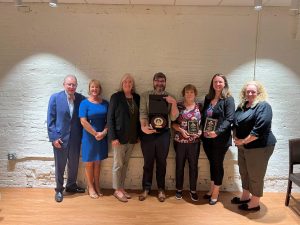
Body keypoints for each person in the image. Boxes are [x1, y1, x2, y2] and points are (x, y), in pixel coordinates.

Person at [232, 80, 276, 211]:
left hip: (259, 147)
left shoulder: (263, 106)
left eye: (253, 92)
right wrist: (235, 136)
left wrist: (243, 141)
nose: (250, 94)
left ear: (259, 93)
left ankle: (255, 202)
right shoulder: (242, 106)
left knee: (255, 175)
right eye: (248, 91)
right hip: (243, 146)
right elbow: (235, 123)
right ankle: (245, 196)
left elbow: (260, 129)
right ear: (244, 93)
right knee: (244, 172)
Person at [139, 72, 179, 202]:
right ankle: (146, 188)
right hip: (148, 133)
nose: (159, 83)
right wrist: (143, 127)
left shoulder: (170, 96)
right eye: (157, 80)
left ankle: (161, 189)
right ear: (153, 81)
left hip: (164, 134)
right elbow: (143, 113)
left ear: (165, 83)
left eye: (162, 81)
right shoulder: (145, 96)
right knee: (148, 162)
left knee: (162, 162)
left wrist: (173, 103)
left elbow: (173, 117)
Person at [47, 75, 85, 203]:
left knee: (74, 164)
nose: (71, 87)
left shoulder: (80, 98)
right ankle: (58, 189)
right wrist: (54, 138)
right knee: (60, 165)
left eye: (74, 84)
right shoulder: (55, 98)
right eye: (69, 84)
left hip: (75, 139)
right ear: (64, 84)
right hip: (60, 139)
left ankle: (71, 185)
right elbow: (50, 120)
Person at [201, 73, 235, 205]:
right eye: (215, 82)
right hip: (207, 138)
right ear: (212, 84)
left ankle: (216, 192)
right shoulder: (208, 98)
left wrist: (217, 132)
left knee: (217, 164)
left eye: (220, 82)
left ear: (224, 84)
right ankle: (211, 189)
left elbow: (229, 119)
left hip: (220, 139)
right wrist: (202, 130)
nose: (218, 84)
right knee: (212, 163)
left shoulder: (228, 99)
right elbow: (204, 117)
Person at [107, 73, 141, 202]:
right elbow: (110, 118)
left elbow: (138, 119)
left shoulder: (136, 98)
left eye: (130, 82)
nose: (128, 84)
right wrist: (113, 137)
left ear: (133, 85)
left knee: (125, 164)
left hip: (132, 138)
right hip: (119, 138)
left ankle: (121, 188)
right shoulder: (116, 97)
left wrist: (137, 135)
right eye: (125, 82)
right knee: (118, 164)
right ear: (122, 84)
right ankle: (116, 190)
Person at [79, 79, 109, 199]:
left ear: (100, 89)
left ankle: (97, 184)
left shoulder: (105, 103)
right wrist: (95, 133)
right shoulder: (84, 103)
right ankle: (90, 186)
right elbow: (83, 121)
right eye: (92, 87)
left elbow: (109, 120)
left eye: (97, 87)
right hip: (89, 136)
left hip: (102, 135)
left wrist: (104, 132)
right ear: (89, 89)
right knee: (89, 162)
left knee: (98, 161)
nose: (94, 89)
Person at [172, 84, 202, 201]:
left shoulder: (200, 106)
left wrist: (200, 132)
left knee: (193, 166)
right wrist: (180, 130)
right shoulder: (178, 106)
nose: (189, 94)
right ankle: (179, 189)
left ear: (195, 94)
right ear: (184, 94)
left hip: (194, 142)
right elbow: (173, 123)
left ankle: (193, 190)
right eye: (187, 92)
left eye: (191, 92)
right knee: (179, 165)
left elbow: (204, 122)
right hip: (180, 141)